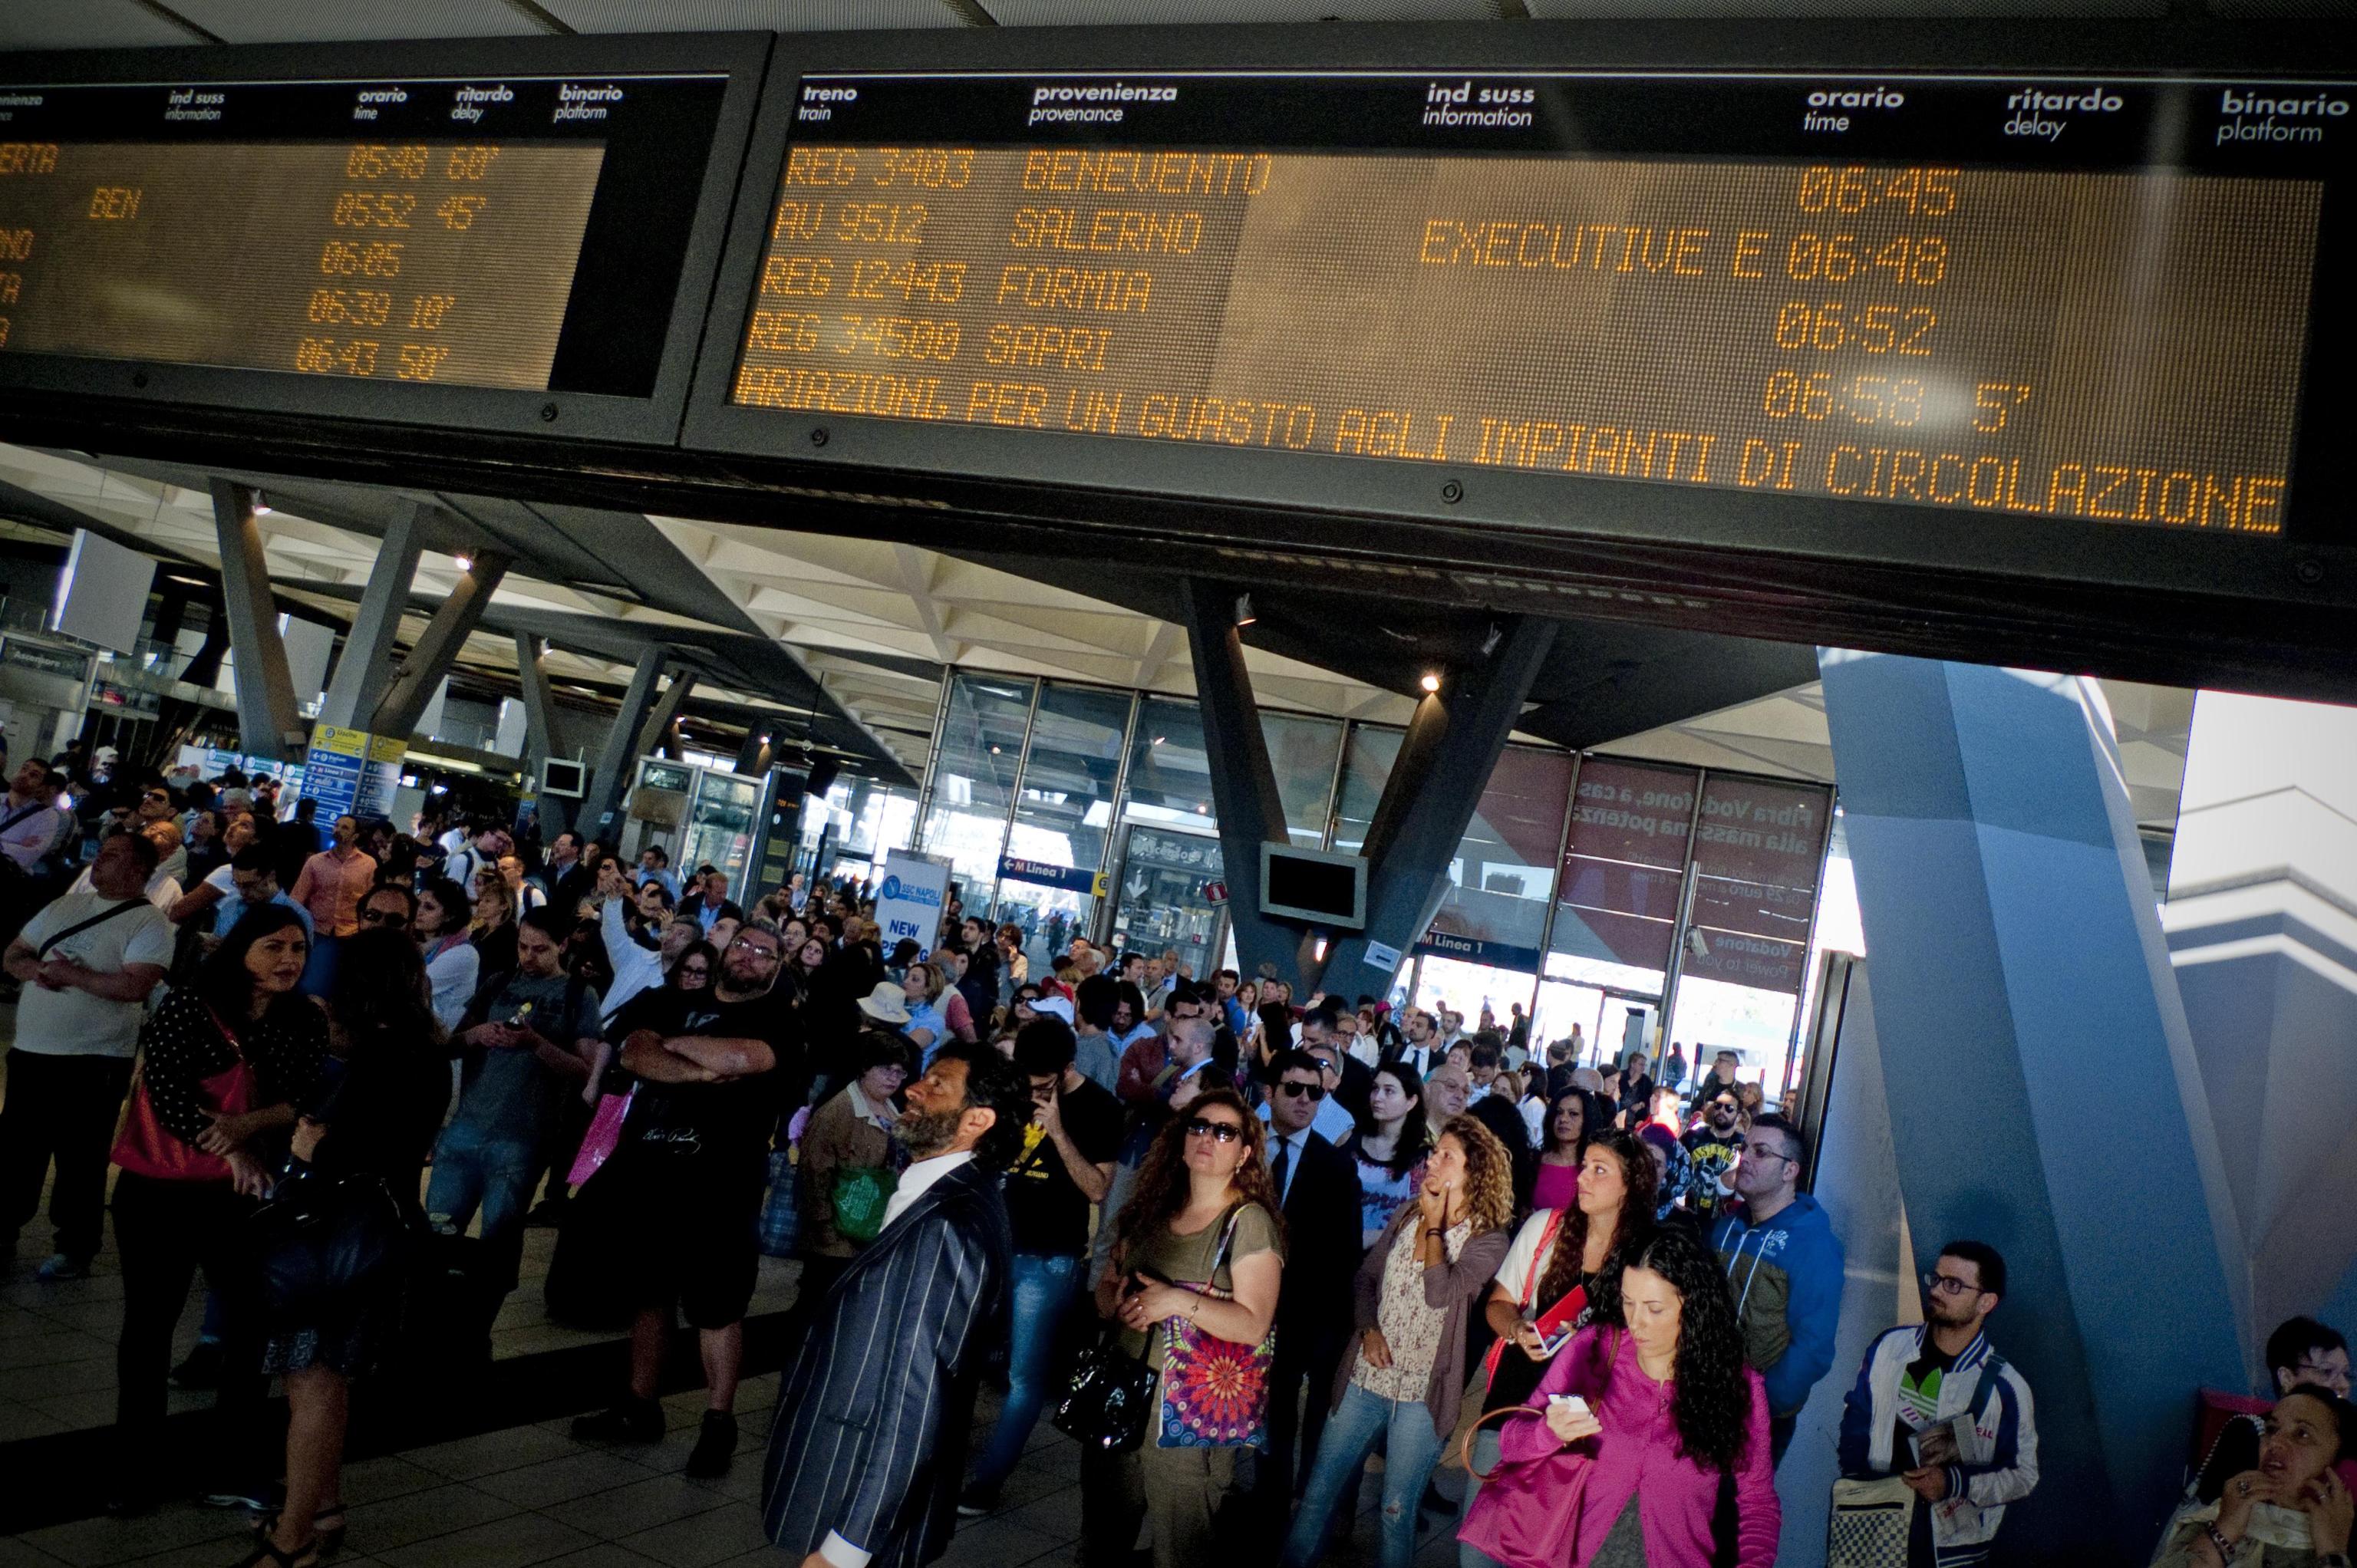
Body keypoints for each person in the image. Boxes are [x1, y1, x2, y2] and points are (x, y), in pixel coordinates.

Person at [762, 1043, 1031, 1568]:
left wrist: (845, 1550)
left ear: (977, 1120)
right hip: (856, 1468)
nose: (913, 1089)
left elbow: (919, 1398)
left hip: (868, 1499)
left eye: (937, 1085)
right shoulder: (943, 1193)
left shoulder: (948, 1224)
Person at [245, 927, 450, 1568]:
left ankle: (293, 1539)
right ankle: (323, 1508)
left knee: (312, 1384)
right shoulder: (424, 1049)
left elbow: (338, 1147)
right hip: (381, 1231)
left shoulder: (379, 1058)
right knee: (329, 1380)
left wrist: (306, 1147)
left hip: (335, 1237)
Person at [110, 906, 325, 1515]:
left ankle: (231, 1467)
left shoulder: (303, 1017)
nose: (288, 960)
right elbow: (168, 1096)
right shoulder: (188, 1006)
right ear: (240, 950)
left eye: (298, 949)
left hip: (246, 1196)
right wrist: (235, 1151)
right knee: (149, 1327)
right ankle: (136, 1471)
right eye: (273, 947)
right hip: (162, 1191)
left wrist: (242, 1127)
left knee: (253, 1327)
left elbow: (303, 1095)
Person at [564, 922, 796, 1477]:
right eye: (743, 945)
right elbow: (636, 1053)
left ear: (776, 968)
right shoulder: (670, 999)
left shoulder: (780, 1021)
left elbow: (746, 1057)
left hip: (724, 1187)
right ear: (725, 949)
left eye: (764, 953)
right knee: (649, 1294)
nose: (749, 956)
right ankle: (640, 1406)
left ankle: (719, 1422)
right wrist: (700, 1071)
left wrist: (678, 1051)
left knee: (718, 1307)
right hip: (653, 1175)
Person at [1284, 1116, 1515, 1568]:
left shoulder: (1488, 1239)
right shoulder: (1408, 1214)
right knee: (1317, 1494)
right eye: (1434, 1151)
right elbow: (1366, 1279)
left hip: (1422, 1396)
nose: (1432, 1161)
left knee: (1396, 1511)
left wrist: (1435, 1225)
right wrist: (1368, 1329)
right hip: (1366, 1379)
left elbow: (1439, 1294)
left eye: (1447, 1156)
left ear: (1474, 1171)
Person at [1490, 1224, 1780, 1566]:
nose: (1636, 1322)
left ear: (1693, 1305)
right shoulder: (1594, 1349)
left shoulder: (1736, 1385)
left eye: (1654, 1309)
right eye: (1628, 1303)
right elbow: (1512, 1442)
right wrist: (1547, 1432)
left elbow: (1758, 1503)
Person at [1083, 1088, 1284, 1568]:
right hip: (1118, 1388)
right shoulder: (1150, 1207)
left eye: (1225, 1132)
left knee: (1182, 1547)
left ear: (1245, 1154)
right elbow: (1105, 1287)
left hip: (1188, 1411)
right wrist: (1118, 1302)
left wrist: (1175, 1300)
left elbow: (1254, 1324)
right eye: (1198, 1126)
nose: (1208, 1138)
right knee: (1101, 1537)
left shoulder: (1248, 1222)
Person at [1459, 1127, 1658, 1565]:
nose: (1582, 1177)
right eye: (1583, 1166)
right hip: (1515, 1401)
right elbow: (1497, 1304)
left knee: (1544, 1543)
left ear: (1630, 1185)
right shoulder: (1545, 1228)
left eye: (1599, 1170)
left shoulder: (1647, 1254)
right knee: (1477, 1546)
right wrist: (1518, 1329)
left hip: (1585, 1420)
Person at [961, 1016, 1124, 1513]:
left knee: (1024, 1377)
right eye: (1026, 1082)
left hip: (1049, 1258)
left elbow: (1097, 1190)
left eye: (1043, 1085)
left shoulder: (1100, 1107)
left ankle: (988, 1482)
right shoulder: (1015, 1088)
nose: (1032, 1093)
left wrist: (1056, 1130)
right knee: (963, 1357)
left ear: (1067, 1068)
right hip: (994, 1244)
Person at [1, 832, 175, 1280]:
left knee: (81, 1155)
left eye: (112, 856)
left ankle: (75, 1246)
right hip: (33, 1052)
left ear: (139, 870)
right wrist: (36, 970)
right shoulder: (66, 906)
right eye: (101, 853)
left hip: (96, 1060)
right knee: (17, 1149)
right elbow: (14, 954)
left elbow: (135, 986)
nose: (98, 861)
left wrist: (71, 975)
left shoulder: (150, 924)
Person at [425, 907, 603, 1283]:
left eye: (540, 949)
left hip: (524, 1137)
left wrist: (536, 1044)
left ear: (562, 946)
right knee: (437, 1233)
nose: (528, 957)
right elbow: (452, 1044)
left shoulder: (578, 994)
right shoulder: (498, 983)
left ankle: (483, 1307)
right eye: (523, 947)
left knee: (498, 1241)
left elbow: (585, 1071)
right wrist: (477, 1035)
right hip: (467, 1126)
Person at [1837, 1240, 2038, 1567]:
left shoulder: (2006, 1386)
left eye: (1954, 1285)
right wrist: (1859, 1484)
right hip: (1875, 1528)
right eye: (1936, 1278)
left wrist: (1952, 1484)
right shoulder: (1890, 1346)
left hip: (1949, 1548)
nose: (1936, 1290)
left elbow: (2023, 1474)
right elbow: (1857, 1416)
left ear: (1986, 1302)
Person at [1256, 1048, 1364, 1522]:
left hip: (1308, 1313)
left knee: (1296, 1412)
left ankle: (1296, 1504)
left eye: (1314, 1093)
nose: (1304, 1100)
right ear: (1269, 1092)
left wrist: (1334, 1325)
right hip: (1242, 1301)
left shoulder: (1336, 1165)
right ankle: (1267, 1500)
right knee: (1265, 1408)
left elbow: (1346, 1250)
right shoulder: (1243, 1147)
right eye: (1294, 1089)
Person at [1712, 1112, 1844, 1464]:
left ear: (1790, 1171)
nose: (1745, 1159)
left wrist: (1762, 1403)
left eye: (1761, 1152)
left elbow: (1814, 1347)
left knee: (1734, 1501)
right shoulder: (1726, 1229)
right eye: (1744, 1148)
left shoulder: (1813, 1245)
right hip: (1703, 1398)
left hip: (1756, 1418)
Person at [2154, 1387, 2355, 1567]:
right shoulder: (2224, 1514)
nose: (2274, 1443)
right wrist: (2224, 1531)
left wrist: (2333, 1554)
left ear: (2342, 1470)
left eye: (2302, 1434)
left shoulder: (2345, 1544)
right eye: (2271, 1429)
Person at [795, 1028, 911, 1316]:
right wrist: (823, 1227)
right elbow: (814, 1171)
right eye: (886, 1069)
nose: (893, 1078)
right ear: (864, 1068)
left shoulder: (890, 1107)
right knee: (820, 1307)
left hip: (867, 1228)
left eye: (900, 1072)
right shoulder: (837, 1112)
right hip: (835, 1237)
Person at [288, 812, 377, 993]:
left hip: (351, 932)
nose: (338, 830)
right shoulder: (316, 861)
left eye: (344, 828)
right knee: (313, 983)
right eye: (336, 826)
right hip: (318, 931)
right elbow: (298, 897)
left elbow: (371, 901)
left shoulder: (368, 864)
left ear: (355, 836)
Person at [1351, 1061, 1431, 1250]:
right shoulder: (1351, 1143)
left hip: (1389, 1251)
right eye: (1375, 1089)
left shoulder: (1422, 1158)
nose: (1378, 1098)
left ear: (1411, 1102)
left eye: (1389, 1091)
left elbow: (1420, 1218)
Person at [412, 875, 480, 1033]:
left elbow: (411, 987)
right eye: (417, 904)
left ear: (450, 915)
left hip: (438, 1037)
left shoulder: (463, 954)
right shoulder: (424, 943)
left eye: (429, 907)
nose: (419, 911)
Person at [1530, 1086, 1604, 1213]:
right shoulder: (1534, 1162)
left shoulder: (1597, 1167)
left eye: (1573, 1114)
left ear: (1587, 1120)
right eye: (1559, 1112)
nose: (1563, 1119)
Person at [1681, 1084, 1746, 1226]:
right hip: (1687, 1215)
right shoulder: (1693, 1136)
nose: (1722, 1111)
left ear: (1739, 1116)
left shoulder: (1743, 1145)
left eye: (1729, 1108)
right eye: (1718, 1106)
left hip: (1721, 1221)